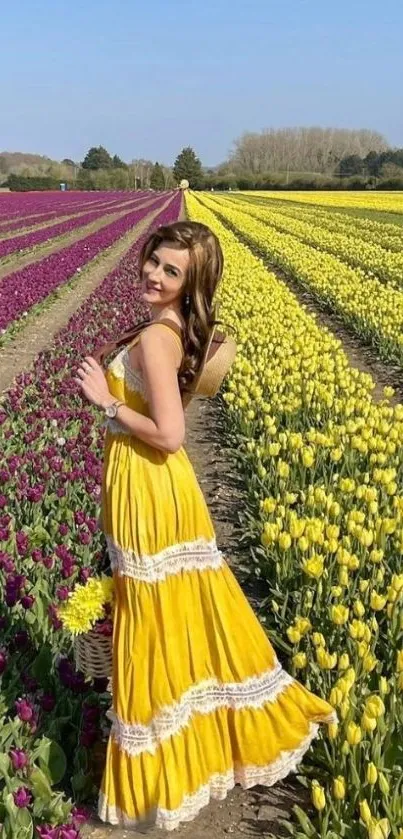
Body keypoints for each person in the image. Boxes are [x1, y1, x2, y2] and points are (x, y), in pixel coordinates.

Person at [76, 221, 335, 832]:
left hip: (151, 484)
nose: (154, 275)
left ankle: (168, 768)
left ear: (188, 285)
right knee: (180, 612)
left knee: (155, 617)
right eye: (153, 262)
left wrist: (105, 401)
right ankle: (205, 743)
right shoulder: (170, 332)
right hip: (152, 485)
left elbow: (170, 434)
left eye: (171, 271)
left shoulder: (155, 339)